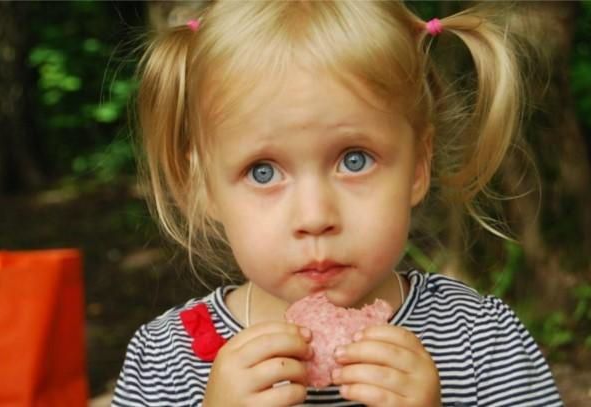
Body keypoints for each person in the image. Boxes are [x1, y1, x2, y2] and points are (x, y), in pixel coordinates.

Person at [113, 1, 562, 406]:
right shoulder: (167, 363)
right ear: (203, 185)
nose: (315, 217)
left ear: (419, 166)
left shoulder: (481, 342)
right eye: (263, 171)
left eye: (354, 160)